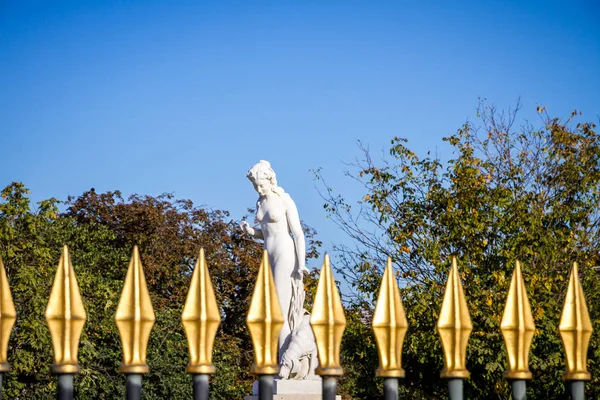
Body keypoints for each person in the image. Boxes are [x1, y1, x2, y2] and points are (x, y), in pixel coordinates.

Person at [240, 160, 309, 360]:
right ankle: (280, 358)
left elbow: (298, 234)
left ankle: (286, 361)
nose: (259, 189)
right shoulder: (260, 203)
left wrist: (301, 264)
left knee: (280, 309)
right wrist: (250, 231)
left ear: (270, 180)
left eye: (261, 185)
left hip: (285, 253)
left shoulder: (285, 200)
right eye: (255, 187)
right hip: (268, 254)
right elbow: (265, 232)